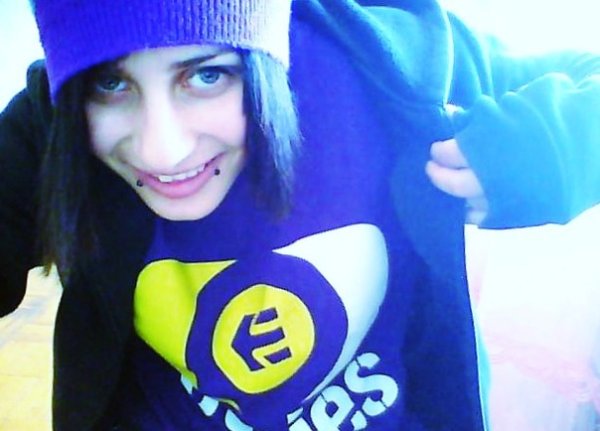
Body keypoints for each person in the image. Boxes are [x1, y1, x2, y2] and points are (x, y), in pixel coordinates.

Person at [1, 0, 599, 430]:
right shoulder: (56, 125)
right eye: (111, 86)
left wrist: (552, 145)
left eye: (207, 75)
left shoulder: (385, 63)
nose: (163, 151)